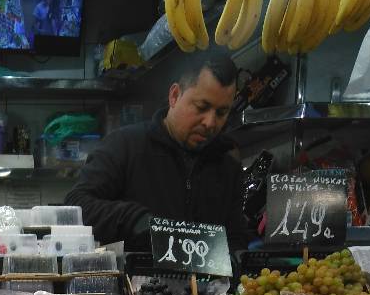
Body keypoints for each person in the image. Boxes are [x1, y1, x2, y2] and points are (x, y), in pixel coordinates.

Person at [65, 51, 247, 251]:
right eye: (202, 107)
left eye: (222, 113)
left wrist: (235, 260)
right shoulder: (124, 146)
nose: (210, 122)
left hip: (206, 282)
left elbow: (236, 238)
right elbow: (76, 205)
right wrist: (134, 219)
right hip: (132, 280)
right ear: (175, 96)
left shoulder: (228, 166)